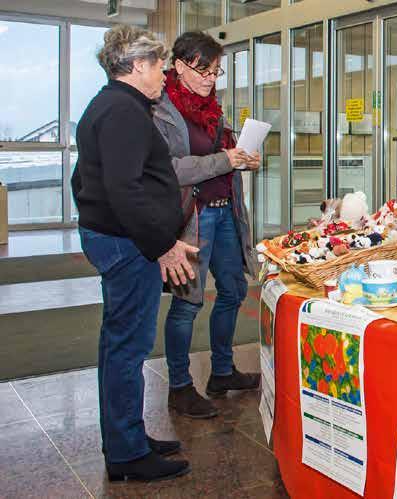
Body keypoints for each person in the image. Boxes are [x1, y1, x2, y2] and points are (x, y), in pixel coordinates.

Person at [72, 25, 196, 482]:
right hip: (129, 246)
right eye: (160, 65)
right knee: (128, 348)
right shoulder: (123, 112)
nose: (164, 74)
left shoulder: (109, 105)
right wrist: (161, 244)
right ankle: (127, 453)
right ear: (139, 65)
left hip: (120, 239)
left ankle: (127, 435)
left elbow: (84, 180)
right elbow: (124, 190)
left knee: (118, 345)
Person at [155, 31, 262, 419]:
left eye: (216, 72)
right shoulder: (161, 110)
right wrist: (224, 161)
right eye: (204, 71)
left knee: (233, 291)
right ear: (180, 66)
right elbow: (168, 169)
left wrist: (245, 159)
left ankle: (222, 371)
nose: (210, 79)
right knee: (188, 302)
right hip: (193, 217)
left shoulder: (213, 108)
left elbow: (225, 155)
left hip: (225, 210)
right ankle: (180, 386)